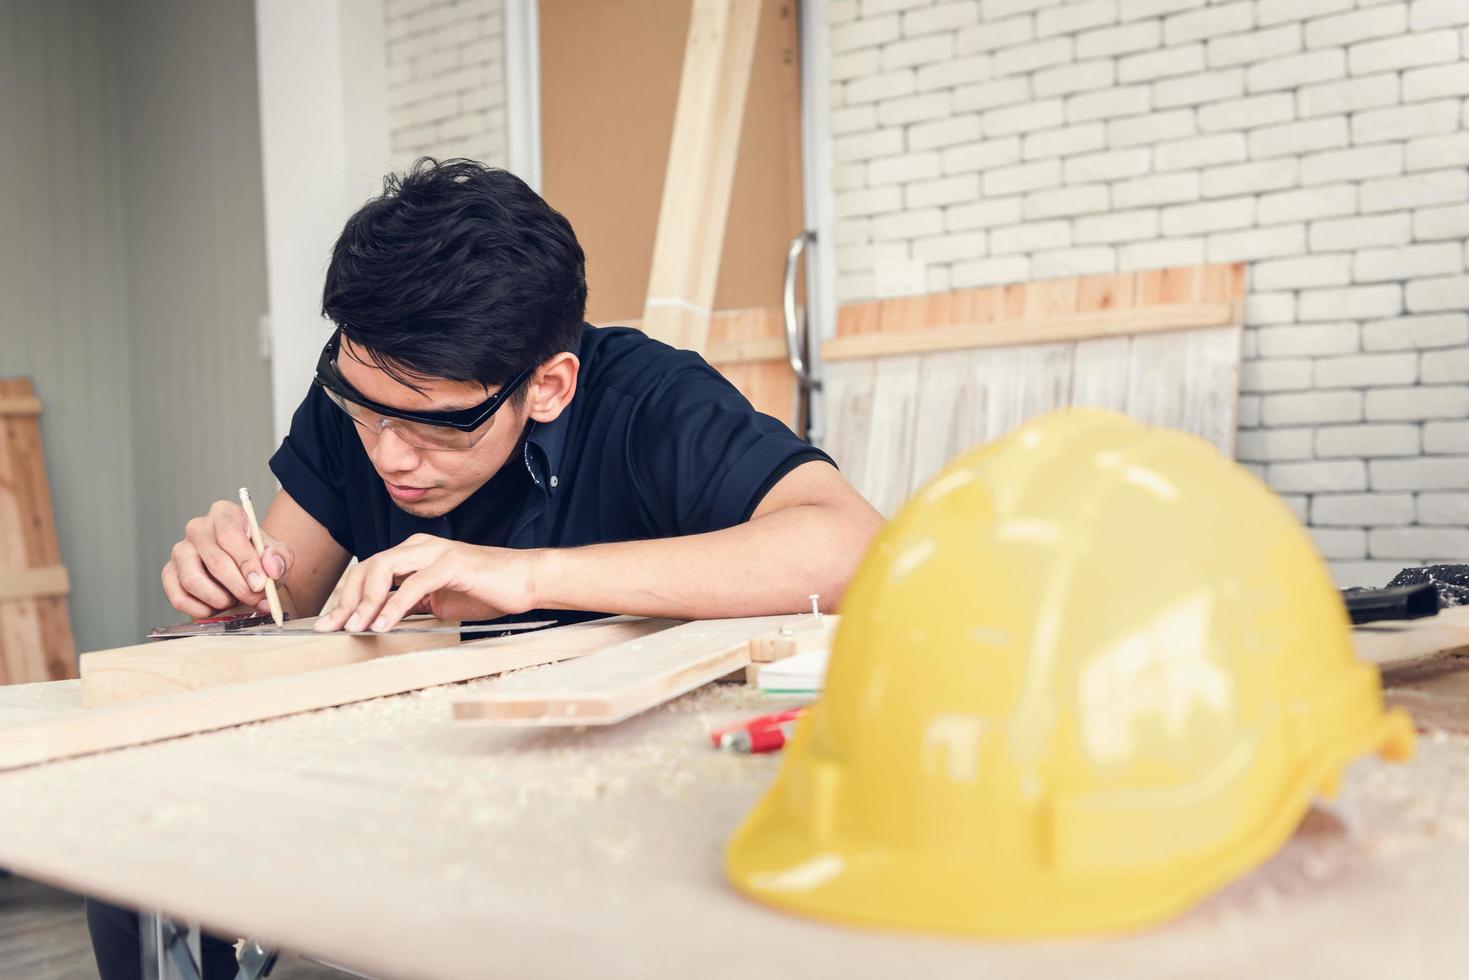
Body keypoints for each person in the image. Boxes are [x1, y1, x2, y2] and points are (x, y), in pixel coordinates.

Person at [89, 159, 882, 978]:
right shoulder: (365, 396)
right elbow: (283, 591)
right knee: (132, 860)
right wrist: (235, 585)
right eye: (363, 410)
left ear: (546, 387)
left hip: (603, 790)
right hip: (420, 774)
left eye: (434, 427)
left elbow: (851, 548)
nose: (389, 455)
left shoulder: (649, 399)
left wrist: (531, 576)